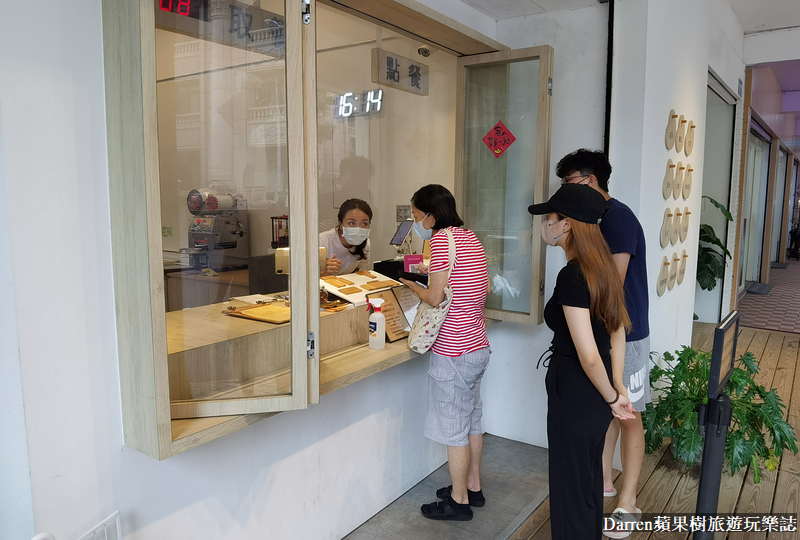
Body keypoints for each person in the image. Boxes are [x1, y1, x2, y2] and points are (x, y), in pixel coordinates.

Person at [528, 183, 636, 540]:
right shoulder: (604, 266)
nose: (546, 224)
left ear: (567, 225)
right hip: (597, 393)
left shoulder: (574, 275)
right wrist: (617, 385)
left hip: (577, 389)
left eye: (550, 218)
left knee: (569, 485)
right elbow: (617, 332)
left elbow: (589, 356)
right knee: (586, 478)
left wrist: (611, 394)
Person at [557, 149, 650, 538]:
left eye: (569, 184)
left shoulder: (618, 219)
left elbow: (610, 285)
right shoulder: (595, 218)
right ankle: (605, 484)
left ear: (590, 180)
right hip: (604, 334)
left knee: (627, 415)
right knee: (608, 409)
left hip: (625, 334)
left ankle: (628, 502)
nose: (564, 193)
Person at [398, 184, 491, 522]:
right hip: (478, 345)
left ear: (431, 215)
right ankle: (473, 487)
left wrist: (411, 284)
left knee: (452, 429)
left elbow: (435, 298)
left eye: (416, 214)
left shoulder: (439, 240)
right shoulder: (470, 237)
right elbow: (484, 286)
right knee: (472, 422)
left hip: (452, 351)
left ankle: (458, 501)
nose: (414, 220)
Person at [319, 198, 372, 276]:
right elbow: (306, 280)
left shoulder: (365, 243)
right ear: (341, 224)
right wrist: (326, 272)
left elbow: (356, 273)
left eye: (364, 223)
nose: (358, 228)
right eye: (352, 223)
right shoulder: (322, 241)